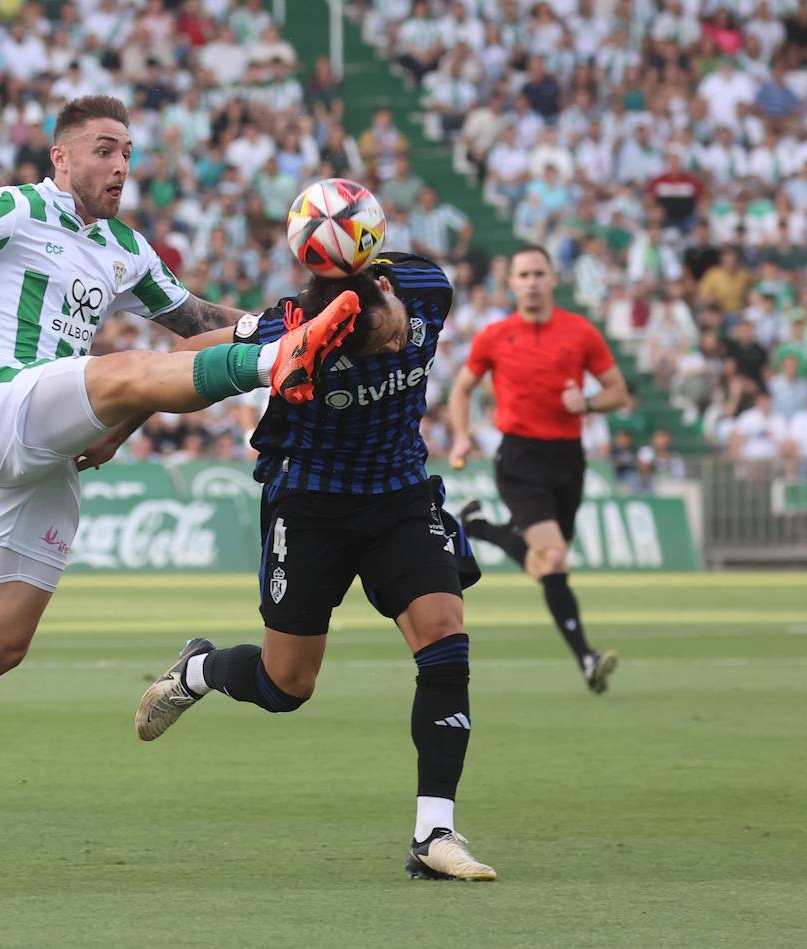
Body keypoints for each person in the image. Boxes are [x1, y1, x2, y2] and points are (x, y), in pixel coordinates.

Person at [0, 96, 360, 860]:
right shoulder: (17, 207)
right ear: (61, 158)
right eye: (103, 149)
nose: (120, 164)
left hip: (46, 444)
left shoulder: (126, 248)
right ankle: (277, 369)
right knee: (118, 368)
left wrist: (285, 321)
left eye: (126, 150)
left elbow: (193, 323)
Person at [111, 253, 496, 881]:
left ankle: (434, 832)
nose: (398, 340)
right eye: (381, 342)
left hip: (399, 493)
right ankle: (199, 670)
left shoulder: (426, 286)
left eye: (397, 326)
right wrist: (119, 428)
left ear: (389, 288)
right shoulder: (287, 332)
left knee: (446, 639)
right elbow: (186, 363)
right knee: (286, 686)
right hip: (311, 503)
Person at [447, 245, 627, 693]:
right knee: (553, 558)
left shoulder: (580, 332)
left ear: (553, 280)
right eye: (522, 274)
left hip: (568, 459)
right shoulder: (494, 336)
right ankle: (586, 657)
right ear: (510, 283)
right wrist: (462, 435)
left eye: (538, 274)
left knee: (543, 565)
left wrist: (586, 403)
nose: (530, 282)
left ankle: (481, 528)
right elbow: (462, 388)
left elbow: (618, 393)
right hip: (520, 457)